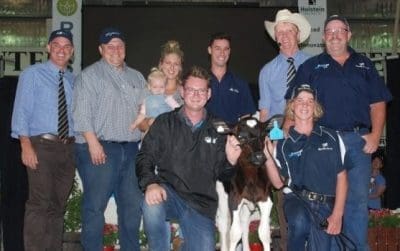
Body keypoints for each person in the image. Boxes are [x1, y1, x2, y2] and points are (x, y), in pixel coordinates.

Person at [286, 15, 392, 250]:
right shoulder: (310, 67)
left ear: (348, 34)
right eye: (329, 31)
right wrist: (286, 137)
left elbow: (378, 103)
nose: (334, 35)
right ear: (323, 37)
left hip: (358, 143)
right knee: (327, 204)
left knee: (357, 203)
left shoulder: (364, 65)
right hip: (324, 145)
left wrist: (375, 135)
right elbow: (294, 105)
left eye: (339, 30)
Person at [136, 66, 242, 251]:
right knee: (151, 205)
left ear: (208, 94)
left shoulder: (219, 128)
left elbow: (223, 175)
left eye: (201, 90)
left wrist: (231, 161)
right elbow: (144, 156)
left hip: (201, 204)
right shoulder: (164, 122)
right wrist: (150, 183)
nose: (195, 94)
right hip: (169, 193)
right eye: (191, 89)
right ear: (182, 92)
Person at [72, 27, 146, 250]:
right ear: (101, 49)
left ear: (125, 49)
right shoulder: (89, 75)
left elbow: (144, 112)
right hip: (100, 147)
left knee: (132, 208)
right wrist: (93, 143)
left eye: (119, 45)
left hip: (132, 148)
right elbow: (81, 114)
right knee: (95, 208)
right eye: (110, 46)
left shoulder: (137, 76)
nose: (115, 50)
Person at [11, 29, 75, 251]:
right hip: (41, 145)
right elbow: (22, 110)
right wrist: (25, 144)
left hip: (67, 148)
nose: (61, 49)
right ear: (48, 48)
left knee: (58, 206)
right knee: (39, 203)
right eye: (56, 45)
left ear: (72, 51)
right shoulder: (32, 74)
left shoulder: (73, 79)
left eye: (66, 46)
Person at [265, 84, 348, 251]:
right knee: (300, 222)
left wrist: (337, 214)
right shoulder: (283, 143)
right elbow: (278, 183)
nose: (305, 105)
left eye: (310, 101)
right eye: (300, 100)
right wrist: (267, 156)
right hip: (298, 200)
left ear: (315, 107)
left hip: (326, 205)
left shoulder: (332, 136)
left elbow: (342, 177)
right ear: (292, 106)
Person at [258, 9, 311, 122]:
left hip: (308, 131)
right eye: (280, 32)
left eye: (289, 31)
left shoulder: (312, 65)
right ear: (276, 38)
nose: (284, 36)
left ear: (298, 35)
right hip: (278, 133)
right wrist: (264, 136)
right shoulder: (267, 71)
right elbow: (265, 111)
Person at [206, 32, 256, 125]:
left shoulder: (240, 84)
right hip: (204, 137)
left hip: (231, 138)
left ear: (229, 51)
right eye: (217, 48)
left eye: (226, 49)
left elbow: (246, 118)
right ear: (210, 50)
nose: (222, 53)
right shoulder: (201, 82)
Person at [139, 40, 184, 132]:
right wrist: (150, 122)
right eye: (168, 63)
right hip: (152, 141)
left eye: (176, 64)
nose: (172, 67)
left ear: (180, 67)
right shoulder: (148, 90)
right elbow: (140, 124)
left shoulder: (185, 91)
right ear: (161, 64)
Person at [130, 67, 180, 132]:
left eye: (161, 87)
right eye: (155, 87)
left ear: (165, 87)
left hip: (166, 123)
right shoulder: (146, 100)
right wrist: (135, 124)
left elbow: (178, 110)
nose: (158, 90)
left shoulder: (167, 98)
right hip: (152, 127)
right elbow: (142, 115)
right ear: (149, 87)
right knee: (150, 124)